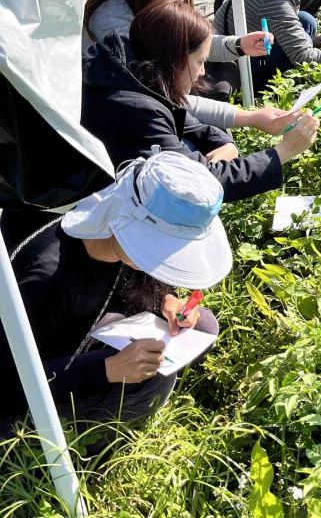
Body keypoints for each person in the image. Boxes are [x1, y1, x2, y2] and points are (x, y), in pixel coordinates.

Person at [0, 152, 232, 435]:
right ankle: (79, 451)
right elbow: (11, 381)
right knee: (151, 378)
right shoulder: (47, 278)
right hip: (41, 375)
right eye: (161, 250)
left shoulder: (115, 230)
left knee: (202, 326)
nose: (165, 261)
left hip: (90, 328)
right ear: (128, 225)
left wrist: (166, 299)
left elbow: (128, 280)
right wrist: (107, 369)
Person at [82, 0, 318, 203]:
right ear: (173, 59)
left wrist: (225, 143)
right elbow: (199, 183)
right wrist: (283, 151)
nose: (203, 72)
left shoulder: (135, 68)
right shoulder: (134, 110)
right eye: (199, 61)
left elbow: (187, 117)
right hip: (101, 202)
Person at [85, 0, 270, 117]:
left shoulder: (164, 1)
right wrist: (245, 117)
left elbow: (195, 42)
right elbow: (156, 96)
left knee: (224, 75)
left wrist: (240, 44)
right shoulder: (113, 24)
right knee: (214, 92)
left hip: (166, 83)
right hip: (130, 107)